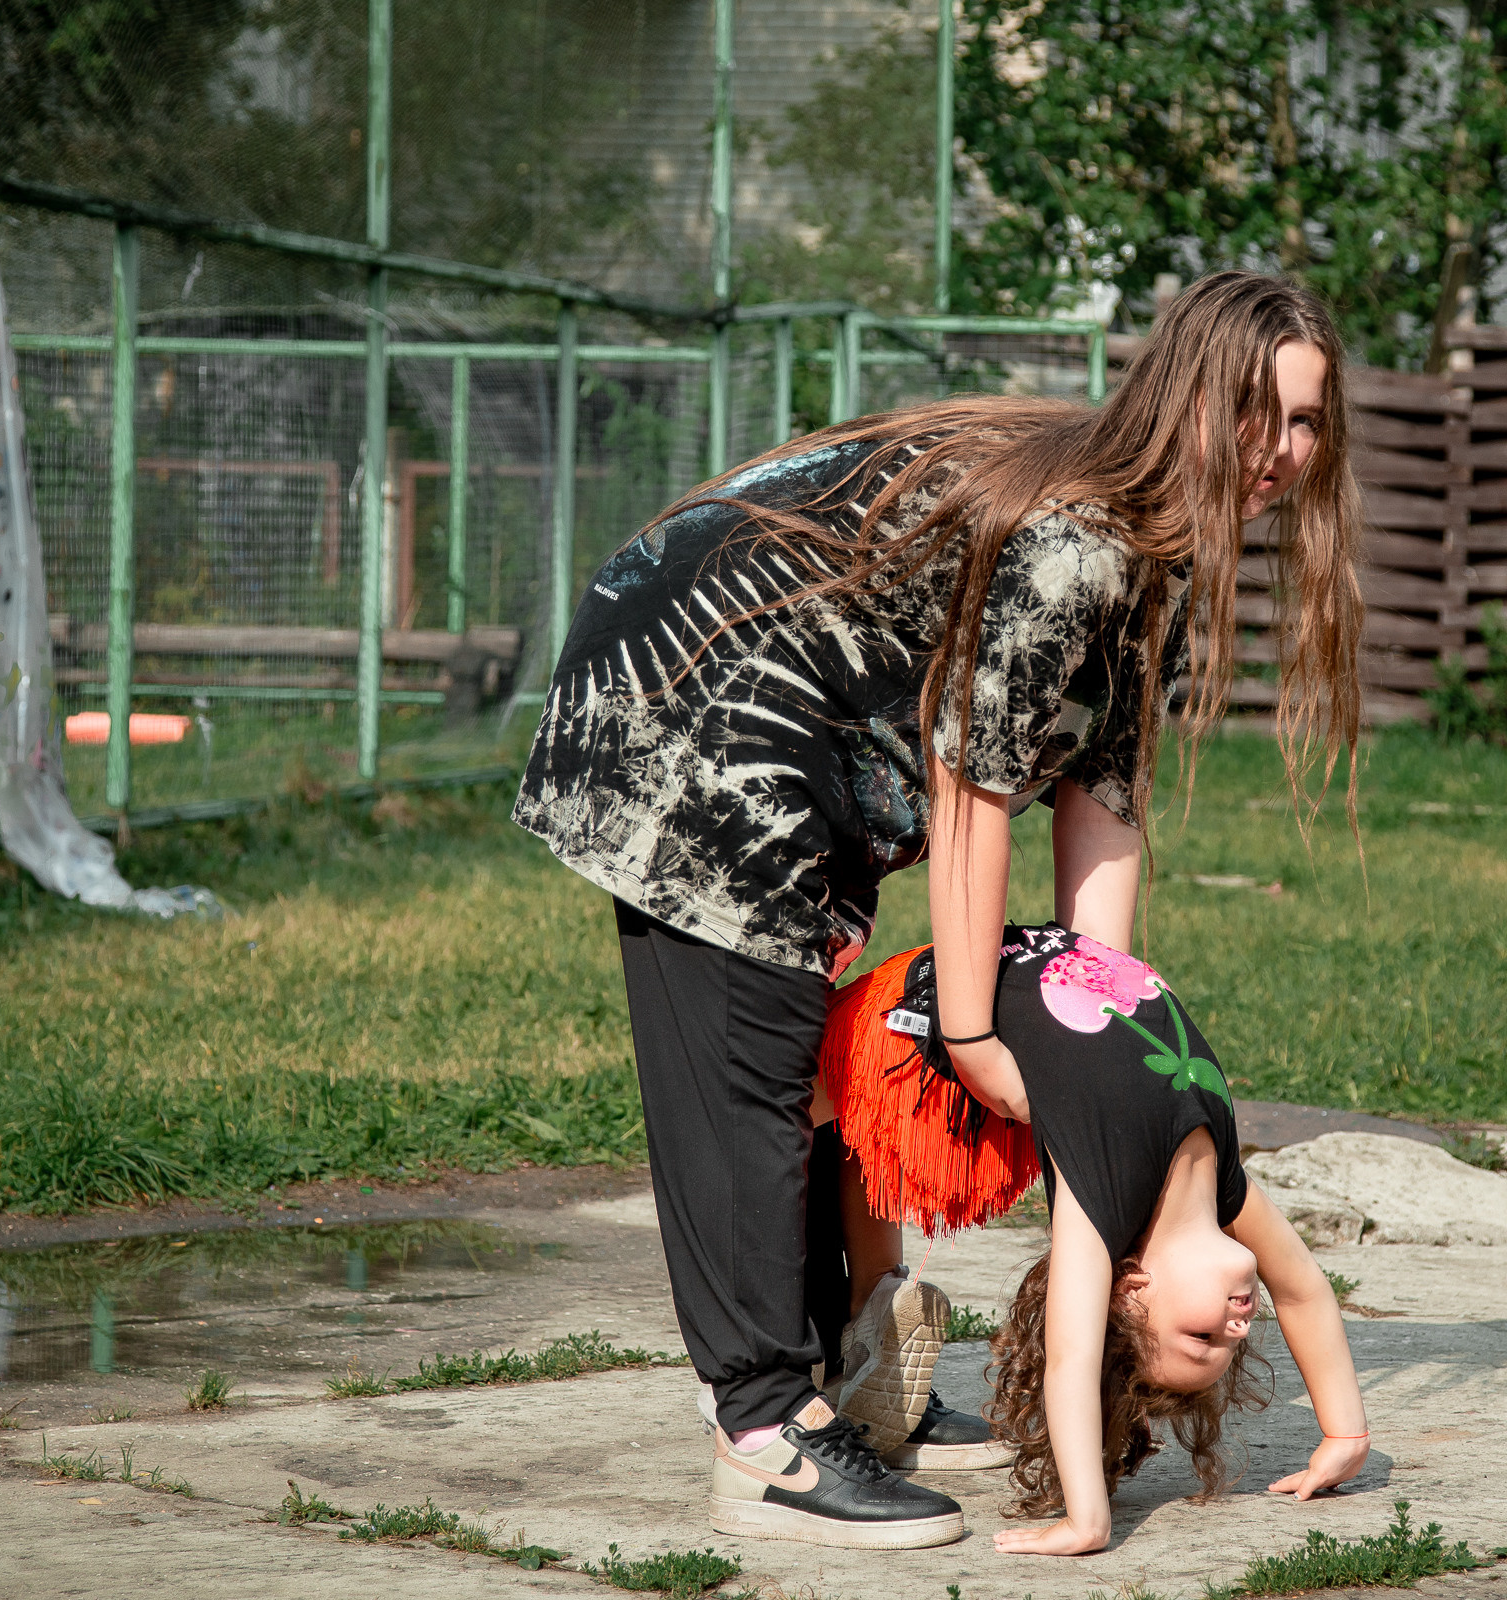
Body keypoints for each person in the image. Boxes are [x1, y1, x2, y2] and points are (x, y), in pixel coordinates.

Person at [513, 270, 1364, 1549]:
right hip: (695, 687)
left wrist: (1090, 1027)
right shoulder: (1076, 541)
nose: (1283, 453)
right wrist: (973, 1031)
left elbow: (1105, 792)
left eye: (1307, 424)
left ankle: (837, 1372)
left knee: (808, 1038)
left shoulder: (1154, 558)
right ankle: (762, 1429)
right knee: (755, 1048)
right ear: (1193, 395)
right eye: (1260, 414)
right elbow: (976, 788)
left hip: (808, 723)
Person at [816, 924, 1372, 1557]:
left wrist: (1089, 1519)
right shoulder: (1226, 1193)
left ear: (1131, 1290)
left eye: (1202, 1337)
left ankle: (853, 1317)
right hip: (979, 984)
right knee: (837, 1132)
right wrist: (1344, 1433)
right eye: (1228, 1344)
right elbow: (1301, 1290)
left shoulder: (1100, 1201)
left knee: (776, 1126)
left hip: (917, 1018)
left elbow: (1072, 1357)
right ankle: (868, 1316)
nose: (1237, 1328)